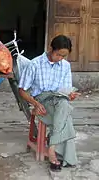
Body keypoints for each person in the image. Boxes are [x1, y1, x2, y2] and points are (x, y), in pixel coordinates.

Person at [18, 35, 80, 172]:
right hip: (41, 100)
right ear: (51, 49)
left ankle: (51, 148)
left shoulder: (65, 66)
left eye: (64, 56)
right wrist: (35, 103)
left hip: (58, 100)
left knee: (64, 105)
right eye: (58, 54)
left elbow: (65, 90)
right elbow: (22, 90)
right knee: (65, 115)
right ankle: (63, 154)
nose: (60, 59)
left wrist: (70, 95)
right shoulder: (35, 64)